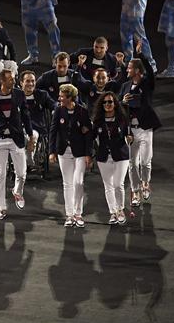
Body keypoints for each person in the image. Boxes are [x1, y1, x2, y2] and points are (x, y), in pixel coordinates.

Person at [0, 69, 32, 220]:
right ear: (2, 80)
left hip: (16, 138)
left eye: (14, 78)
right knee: (0, 175)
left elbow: (25, 115)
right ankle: (0, 208)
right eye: (10, 79)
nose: (13, 81)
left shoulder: (19, 94)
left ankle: (17, 191)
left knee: (22, 174)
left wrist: (29, 134)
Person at [119, 47, 161, 205]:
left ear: (137, 70)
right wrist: (123, 101)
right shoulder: (125, 86)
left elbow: (150, 72)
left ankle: (145, 183)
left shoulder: (147, 84)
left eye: (129, 67)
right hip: (130, 131)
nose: (127, 70)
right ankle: (135, 192)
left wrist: (141, 55)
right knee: (132, 162)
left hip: (145, 129)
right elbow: (116, 105)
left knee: (145, 161)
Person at [49, 83, 92, 227]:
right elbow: (53, 132)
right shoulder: (58, 110)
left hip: (79, 152)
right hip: (63, 152)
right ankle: (69, 215)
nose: (59, 98)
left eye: (62, 96)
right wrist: (52, 152)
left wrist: (88, 154)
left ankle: (78, 213)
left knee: (78, 182)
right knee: (67, 184)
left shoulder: (82, 111)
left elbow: (88, 134)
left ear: (70, 97)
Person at [91, 91, 131, 225]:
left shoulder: (122, 119)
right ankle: (113, 212)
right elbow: (91, 138)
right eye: (105, 102)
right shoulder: (97, 121)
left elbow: (128, 133)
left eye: (110, 102)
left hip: (121, 155)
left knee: (118, 184)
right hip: (103, 156)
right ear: (101, 105)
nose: (108, 104)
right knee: (108, 186)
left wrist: (130, 138)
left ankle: (120, 210)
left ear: (115, 104)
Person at [21, 70, 56, 168]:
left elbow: (53, 104)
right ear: (21, 83)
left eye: (33, 81)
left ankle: (28, 161)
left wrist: (55, 110)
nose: (31, 84)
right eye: (27, 81)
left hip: (36, 127)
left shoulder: (42, 95)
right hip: (19, 128)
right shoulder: (15, 95)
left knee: (32, 135)